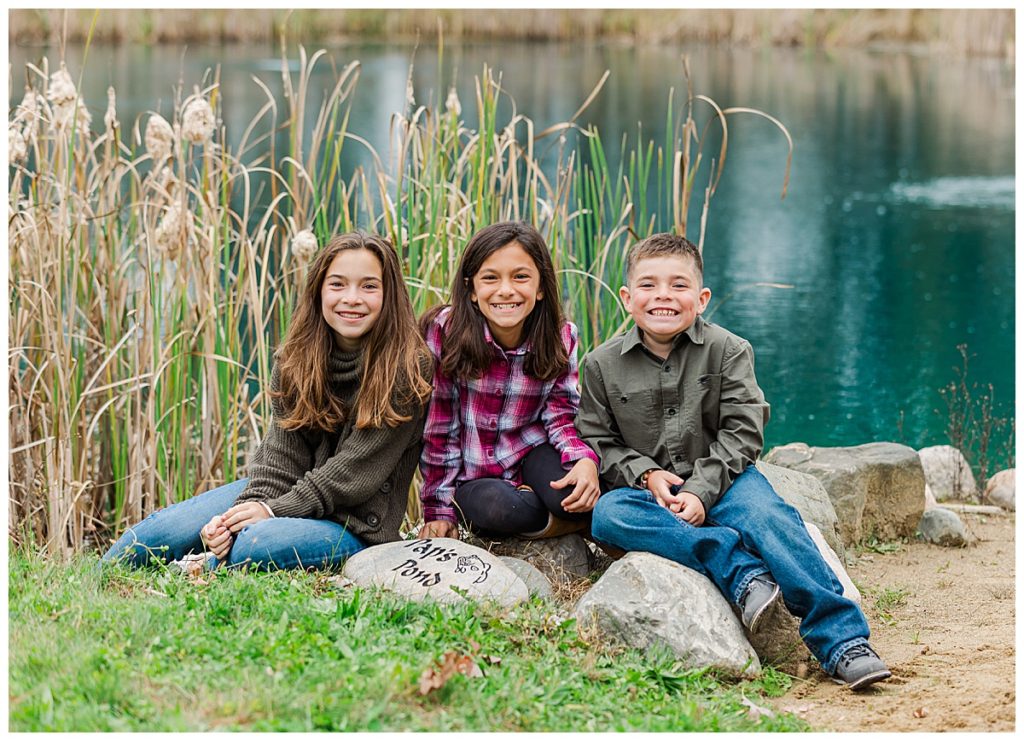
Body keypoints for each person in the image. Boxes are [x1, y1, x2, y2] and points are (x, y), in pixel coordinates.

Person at [577, 232, 891, 690]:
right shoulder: (600, 364)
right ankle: (737, 568)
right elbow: (597, 439)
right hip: (651, 493)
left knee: (772, 519)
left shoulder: (729, 350)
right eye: (648, 285)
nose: (663, 295)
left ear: (701, 298)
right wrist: (645, 474)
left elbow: (744, 431)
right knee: (608, 515)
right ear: (627, 298)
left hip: (725, 480)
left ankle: (842, 639)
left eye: (678, 285)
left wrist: (703, 492)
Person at [102, 232, 433, 571]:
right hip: (287, 496)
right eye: (337, 284)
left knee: (257, 543)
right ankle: (101, 581)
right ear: (318, 290)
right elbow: (280, 457)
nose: (352, 298)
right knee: (158, 532)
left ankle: (203, 567)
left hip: (353, 524)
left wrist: (270, 513)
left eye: (368, 286)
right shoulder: (295, 360)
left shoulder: (407, 368)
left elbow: (351, 474)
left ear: (389, 294)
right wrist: (245, 511)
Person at [417, 221, 600, 541]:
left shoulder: (560, 336)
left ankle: (559, 512)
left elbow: (561, 413)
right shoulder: (445, 331)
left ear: (541, 287)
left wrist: (582, 459)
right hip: (475, 478)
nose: (506, 290)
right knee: (500, 510)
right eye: (490, 278)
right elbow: (440, 427)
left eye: (520, 277)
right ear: (471, 289)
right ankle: (556, 521)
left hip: (532, 453)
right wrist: (438, 509)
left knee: (571, 492)